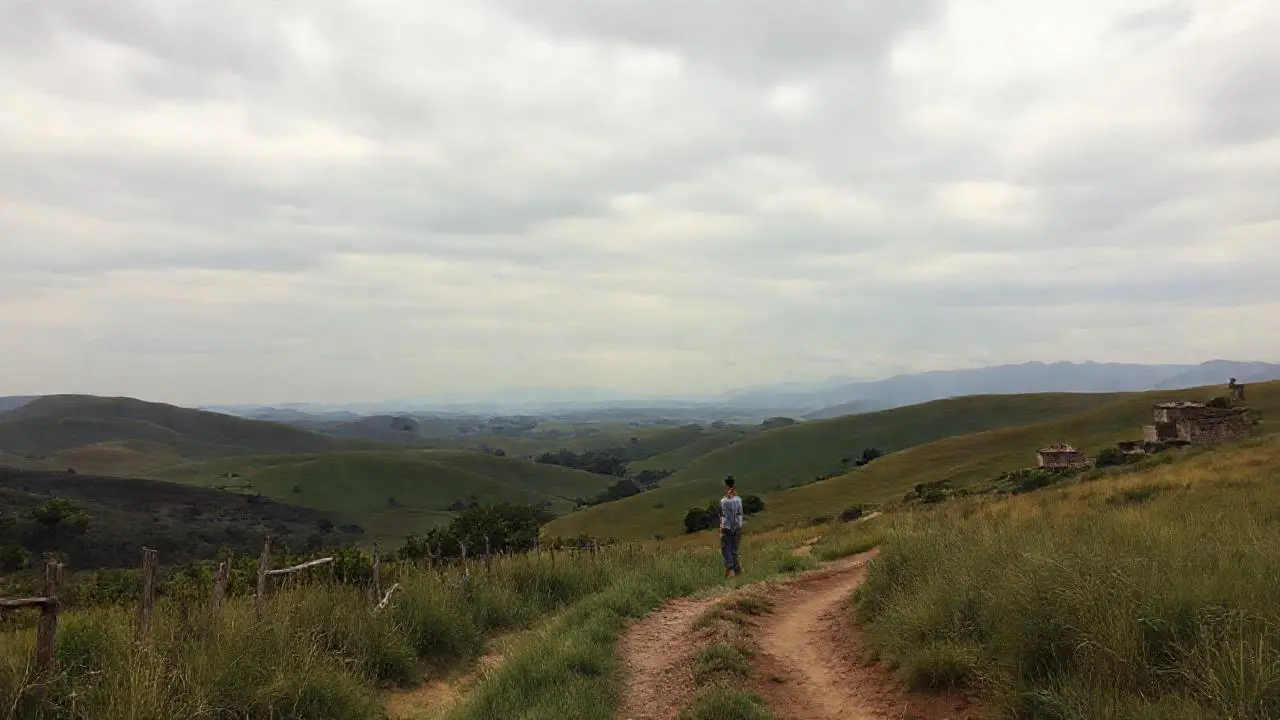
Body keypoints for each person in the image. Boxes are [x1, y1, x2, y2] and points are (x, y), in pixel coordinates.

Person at [719, 475, 744, 578]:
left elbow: (726, 515)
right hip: (738, 526)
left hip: (727, 527)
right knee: (734, 550)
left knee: (726, 549)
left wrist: (722, 527)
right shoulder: (739, 499)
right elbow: (740, 513)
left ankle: (731, 571)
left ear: (726, 484)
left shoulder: (724, 501)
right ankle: (738, 571)